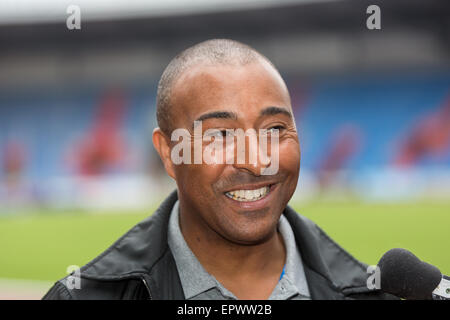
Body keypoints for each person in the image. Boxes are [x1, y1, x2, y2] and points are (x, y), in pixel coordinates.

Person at [43, 39, 395, 300]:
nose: (257, 161)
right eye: (221, 135)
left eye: (274, 129)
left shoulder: (371, 292)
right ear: (169, 153)